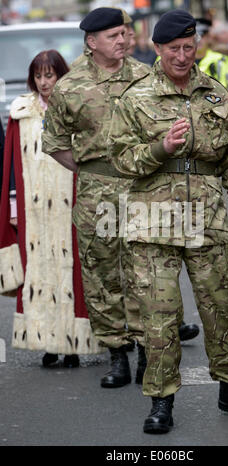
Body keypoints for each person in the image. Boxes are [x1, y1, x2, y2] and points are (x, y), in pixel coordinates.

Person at [108, 9, 228, 434]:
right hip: (153, 221)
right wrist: (160, 149)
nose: (182, 56)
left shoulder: (216, 94)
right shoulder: (135, 96)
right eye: (173, 49)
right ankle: (161, 400)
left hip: (207, 219)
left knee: (220, 307)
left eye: (188, 47)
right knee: (160, 315)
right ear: (158, 49)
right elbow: (121, 160)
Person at [42, 8, 199, 389]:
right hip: (97, 192)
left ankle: (148, 350)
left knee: (148, 273)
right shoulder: (69, 86)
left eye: (125, 34)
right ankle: (117, 354)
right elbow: (55, 143)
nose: (123, 40)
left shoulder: (148, 76)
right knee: (102, 275)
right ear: (92, 42)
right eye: (113, 35)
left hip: (146, 188)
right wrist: (92, 173)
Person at [0, 50, 101, 367]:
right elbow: (12, 164)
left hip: (69, 203)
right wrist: (14, 204)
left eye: (50, 75)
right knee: (38, 275)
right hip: (33, 209)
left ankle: (71, 344)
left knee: (71, 275)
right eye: (39, 76)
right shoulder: (21, 113)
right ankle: (47, 343)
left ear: (61, 76)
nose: (44, 82)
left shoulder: (74, 109)